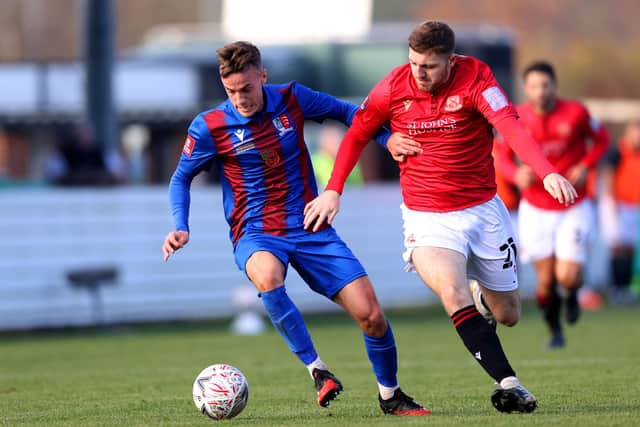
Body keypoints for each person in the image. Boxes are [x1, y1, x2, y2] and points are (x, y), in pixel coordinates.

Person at [304, 21, 578, 414]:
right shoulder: (393, 86)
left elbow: (511, 129)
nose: (419, 72)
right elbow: (357, 132)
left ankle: (486, 298)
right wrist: (334, 188)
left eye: (429, 66)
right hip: (426, 216)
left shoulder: (478, 79)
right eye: (414, 63)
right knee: (452, 293)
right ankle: (509, 383)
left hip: (482, 211)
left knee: (509, 314)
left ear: (451, 61)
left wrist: (547, 170)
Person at [161, 41, 430, 416]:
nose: (240, 99)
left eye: (247, 89)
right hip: (254, 230)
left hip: (309, 224)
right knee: (268, 276)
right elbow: (180, 178)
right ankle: (318, 371)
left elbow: (350, 112)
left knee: (371, 314)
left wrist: (386, 139)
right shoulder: (210, 126)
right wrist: (180, 226)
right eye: (232, 91)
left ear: (263, 76)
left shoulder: (292, 98)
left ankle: (391, 395)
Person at [494, 61, 609, 348]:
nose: (540, 91)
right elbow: (501, 156)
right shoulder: (516, 117)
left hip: (573, 205)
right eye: (534, 86)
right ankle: (555, 331)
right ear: (526, 88)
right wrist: (515, 174)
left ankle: (572, 294)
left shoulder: (576, 113)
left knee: (567, 276)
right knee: (545, 280)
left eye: (545, 85)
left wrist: (585, 166)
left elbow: (602, 140)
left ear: (555, 86)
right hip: (535, 207)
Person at [600, 119, 640, 303]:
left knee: (630, 248)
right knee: (617, 247)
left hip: (634, 205)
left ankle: (626, 287)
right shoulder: (618, 150)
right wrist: (612, 202)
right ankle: (615, 287)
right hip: (617, 204)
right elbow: (608, 174)